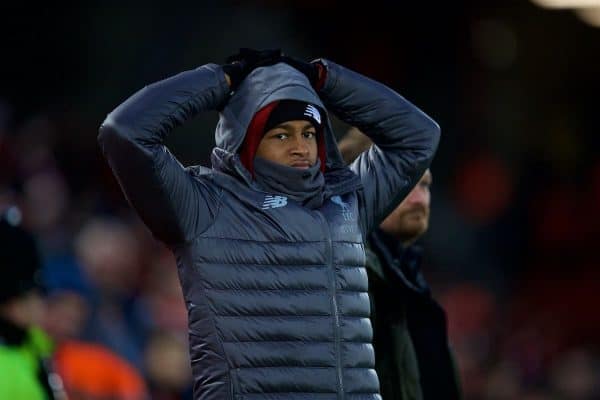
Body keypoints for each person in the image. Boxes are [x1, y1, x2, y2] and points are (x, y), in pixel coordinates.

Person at [98, 48, 440, 399]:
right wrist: (222, 81)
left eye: (309, 133)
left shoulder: (348, 201)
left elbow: (419, 137)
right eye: (281, 135)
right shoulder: (202, 205)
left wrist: (325, 80)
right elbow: (125, 132)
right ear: (246, 140)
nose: (300, 147)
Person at [339, 128, 462, 400]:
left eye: (425, 184)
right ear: (360, 186)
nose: (420, 199)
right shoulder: (347, 277)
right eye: (407, 184)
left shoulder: (407, 275)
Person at [0, 208, 66, 399]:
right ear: (10, 304)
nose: (41, 302)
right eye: (33, 293)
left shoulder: (37, 346)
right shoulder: (6, 372)